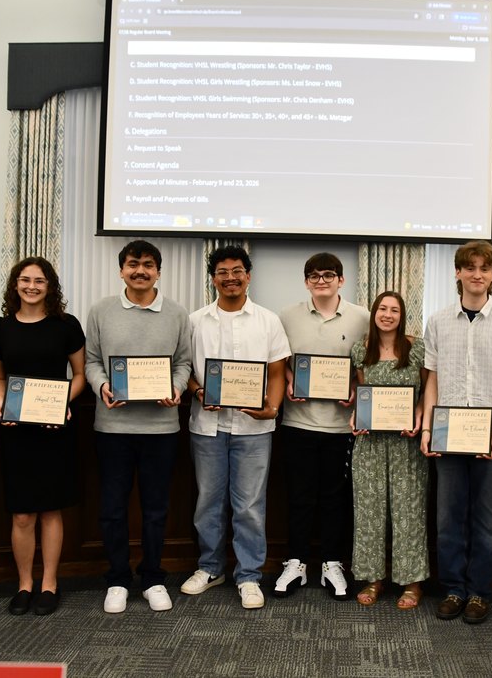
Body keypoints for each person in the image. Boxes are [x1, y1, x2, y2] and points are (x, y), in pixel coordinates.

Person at [84, 240, 193, 614]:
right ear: (121, 270)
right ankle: (117, 578)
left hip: (161, 429)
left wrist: (176, 388)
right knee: (113, 507)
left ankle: (152, 578)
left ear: (158, 271)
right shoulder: (100, 311)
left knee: (156, 509)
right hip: (112, 426)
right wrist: (102, 386)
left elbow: (184, 363)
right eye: (133, 264)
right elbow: (92, 361)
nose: (140, 270)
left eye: (148, 264)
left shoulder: (178, 314)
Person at [180, 246, 289, 610]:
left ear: (248, 275)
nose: (230, 277)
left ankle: (249, 575)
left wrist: (271, 409)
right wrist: (197, 392)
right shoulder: (195, 321)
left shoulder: (268, 320)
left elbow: (276, 372)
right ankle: (210, 568)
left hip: (254, 430)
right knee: (208, 502)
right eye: (223, 271)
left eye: (237, 270)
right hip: (206, 425)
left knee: (250, 506)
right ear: (213, 278)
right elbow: (188, 372)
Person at [421, 240, 492, 624]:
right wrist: (428, 427)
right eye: (470, 267)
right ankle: (453, 588)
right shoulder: (438, 321)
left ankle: (479, 592)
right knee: (449, 519)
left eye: (485, 268)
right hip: (447, 437)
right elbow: (431, 380)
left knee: (488, 521)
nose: (477, 274)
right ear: (458, 273)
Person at [0, 257, 86, 616]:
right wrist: (1, 402)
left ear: (50, 286)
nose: (32, 286)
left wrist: (62, 404)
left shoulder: (66, 326)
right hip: (16, 429)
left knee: (50, 510)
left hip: (53, 428)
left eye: (39, 281)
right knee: (23, 514)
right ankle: (24, 583)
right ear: (15, 285)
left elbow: (80, 376)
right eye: (25, 280)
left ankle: (50, 584)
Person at [275, 253, 369, 600]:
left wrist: (356, 391)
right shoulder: (287, 316)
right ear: (306, 282)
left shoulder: (362, 317)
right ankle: (296, 562)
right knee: (298, 496)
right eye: (314, 276)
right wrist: (287, 380)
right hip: (298, 421)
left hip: (341, 427)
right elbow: (281, 360)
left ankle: (332, 563)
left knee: (334, 499)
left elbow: (369, 365)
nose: (321, 281)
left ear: (341, 280)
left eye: (329, 275)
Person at [349, 291, 428, 609]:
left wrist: (420, 417)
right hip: (370, 445)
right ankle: (373, 579)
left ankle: (411, 583)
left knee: (408, 514)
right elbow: (359, 391)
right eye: (382, 308)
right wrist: (357, 415)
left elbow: (425, 391)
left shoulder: (416, 347)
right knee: (370, 513)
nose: (388, 314)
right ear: (374, 312)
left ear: (402, 315)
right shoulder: (360, 348)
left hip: (407, 445)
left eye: (395, 310)